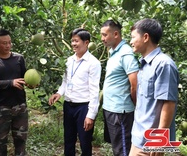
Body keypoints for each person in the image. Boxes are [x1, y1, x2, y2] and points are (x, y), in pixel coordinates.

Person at [129, 18, 179, 156]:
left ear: (145, 37)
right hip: (139, 136)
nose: (131, 41)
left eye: (133, 37)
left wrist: (159, 140)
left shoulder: (164, 65)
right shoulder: (144, 64)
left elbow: (168, 103)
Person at [48, 28, 101, 156]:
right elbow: (65, 81)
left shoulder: (93, 63)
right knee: (68, 139)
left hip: (83, 107)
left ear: (86, 42)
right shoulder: (69, 60)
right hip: (69, 105)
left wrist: (91, 115)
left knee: (84, 141)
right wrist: (59, 93)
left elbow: (95, 90)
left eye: (76, 41)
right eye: (72, 41)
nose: (73, 44)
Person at [0, 29, 28, 156]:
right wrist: (10, 83)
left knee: (21, 141)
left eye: (9, 42)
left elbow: (25, 78)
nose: (8, 46)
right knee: (0, 143)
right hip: (1, 108)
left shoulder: (19, 58)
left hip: (20, 106)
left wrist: (31, 82)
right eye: (4, 43)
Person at [100, 20, 139, 156]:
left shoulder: (126, 54)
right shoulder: (114, 52)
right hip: (111, 108)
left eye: (105, 35)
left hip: (120, 112)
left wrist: (134, 104)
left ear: (115, 34)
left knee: (123, 149)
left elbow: (135, 84)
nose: (102, 39)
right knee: (117, 147)